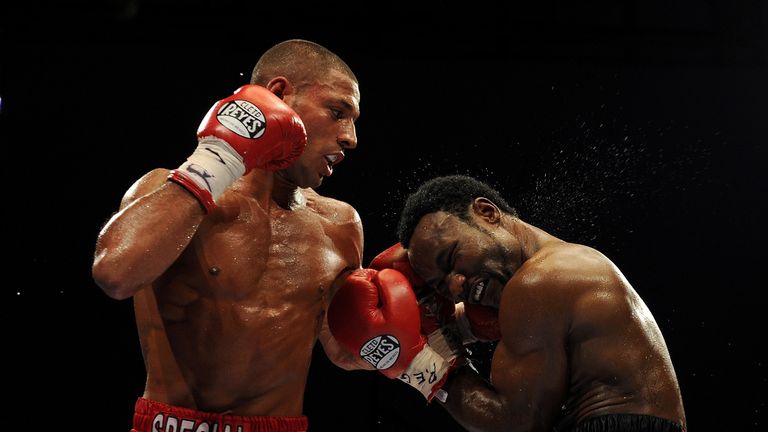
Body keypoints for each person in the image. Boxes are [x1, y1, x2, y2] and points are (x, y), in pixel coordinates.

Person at [92, 39, 368, 432]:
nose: (350, 137)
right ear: (278, 94)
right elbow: (114, 274)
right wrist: (217, 158)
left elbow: (344, 350)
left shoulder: (341, 224)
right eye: (337, 112)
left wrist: (420, 336)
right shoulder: (171, 195)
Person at [328, 175, 687, 432]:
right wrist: (438, 331)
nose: (456, 284)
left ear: (487, 213)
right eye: (440, 285)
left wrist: (419, 363)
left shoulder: (538, 282)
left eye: (452, 257)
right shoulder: (565, 265)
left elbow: (513, 423)